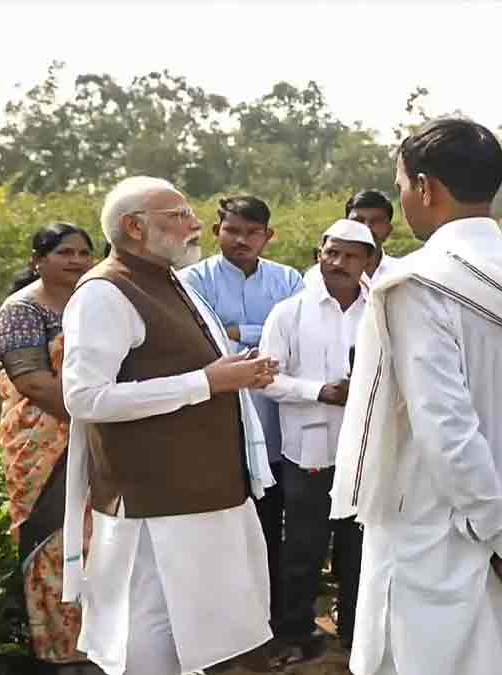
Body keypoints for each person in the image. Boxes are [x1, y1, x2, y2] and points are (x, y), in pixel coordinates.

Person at [328, 118, 502, 675]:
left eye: (402, 185)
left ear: (426, 187)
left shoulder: (417, 283)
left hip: (432, 537)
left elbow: (444, 427)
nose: (403, 197)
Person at [60, 176, 279, 675]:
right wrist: (205, 382)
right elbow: (85, 397)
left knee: (215, 638)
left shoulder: (168, 280)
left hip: (208, 495)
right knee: (151, 642)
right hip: (155, 508)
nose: (195, 224)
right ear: (135, 228)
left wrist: (235, 373)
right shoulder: (105, 293)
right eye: (177, 216)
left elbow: (191, 370)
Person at [179, 195, 303, 628]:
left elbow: (295, 342)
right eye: (232, 230)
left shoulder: (288, 280)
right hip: (217, 424)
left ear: (268, 236)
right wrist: (263, 336)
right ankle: (219, 625)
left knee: (269, 526)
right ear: (216, 232)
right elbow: (199, 343)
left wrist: (238, 331)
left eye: (253, 232)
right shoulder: (191, 280)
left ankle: (267, 621)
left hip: (275, 423)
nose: (242, 240)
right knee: (220, 529)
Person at [259, 219, 377, 662]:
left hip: (366, 452)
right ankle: (296, 634)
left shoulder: (380, 311)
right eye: (331, 253)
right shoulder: (289, 313)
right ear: (318, 255)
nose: (338, 263)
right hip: (308, 450)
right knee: (303, 550)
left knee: (359, 547)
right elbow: (267, 380)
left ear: (368, 261)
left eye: (350, 256)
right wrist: (320, 392)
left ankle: (356, 632)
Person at [0, 223, 98, 673]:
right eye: (64, 252)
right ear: (38, 259)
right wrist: (99, 414)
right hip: (43, 444)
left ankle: (98, 645)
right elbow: (33, 382)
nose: (75, 260)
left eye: (83, 253)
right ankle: (60, 652)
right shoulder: (21, 310)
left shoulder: (94, 303)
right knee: (52, 544)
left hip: (97, 437)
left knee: (98, 542)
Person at [346, 189, 401, 284]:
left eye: (376, 221)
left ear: (388, 230)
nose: (366, 228)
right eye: (358, 220)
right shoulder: (322, 276)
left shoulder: (403, 274)